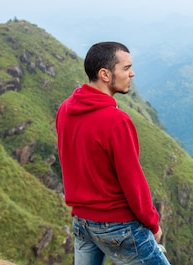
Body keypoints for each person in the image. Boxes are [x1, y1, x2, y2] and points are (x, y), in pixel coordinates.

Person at [56, 41, 170, 265]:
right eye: (126, 68)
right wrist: (153, 223)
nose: (132, 73)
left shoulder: (65, 109)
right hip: (118, 225)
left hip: (82, 222)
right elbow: (133, 181)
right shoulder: (117, 121)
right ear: (105, 74)